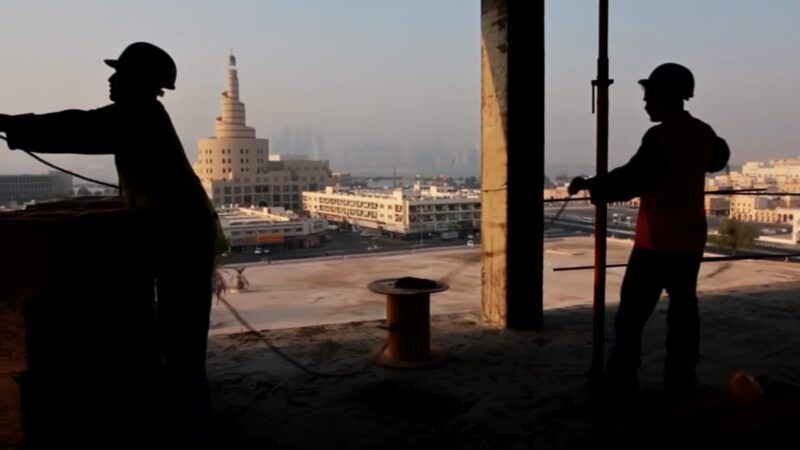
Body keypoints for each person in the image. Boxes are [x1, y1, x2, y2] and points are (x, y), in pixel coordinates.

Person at [0, 42, 227, 443]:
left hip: (182, 238)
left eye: (118, 75)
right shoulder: (142, 116)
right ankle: (186, 422)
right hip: (178, 233)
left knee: (182, 342)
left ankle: (190, 431)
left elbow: (79, 126)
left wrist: (12, 124)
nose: (111, 80)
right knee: (178, 337)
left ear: (139, 83)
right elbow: (83, 124)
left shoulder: (138, 116)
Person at [568, 63, 730, 396]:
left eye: (649, 96)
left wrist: (591, 185)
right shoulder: (702, 132)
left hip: (656, 243)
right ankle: (680, 382)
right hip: (689, 241)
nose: (645, 104)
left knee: (630, 319)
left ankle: (620, 383)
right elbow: (718, 157)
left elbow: (633, 178)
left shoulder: (660, 137)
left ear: (665, 96)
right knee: (684, 314)